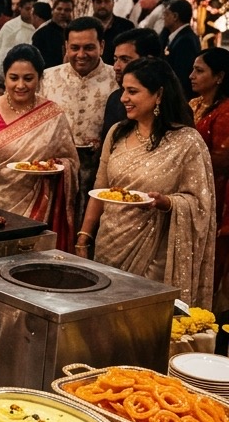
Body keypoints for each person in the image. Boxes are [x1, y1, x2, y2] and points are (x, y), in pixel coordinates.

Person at [75, 58, 215, 308]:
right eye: (123, 90)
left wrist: (168, 203)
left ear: (159, 94)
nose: (123, 98)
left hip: (155, 252)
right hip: (109, 243)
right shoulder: (117, 133)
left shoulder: (186, 142)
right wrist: (84, 237)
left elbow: (200, 204)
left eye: (132, 91)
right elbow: (101, 188)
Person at [0, 44, 79, 248]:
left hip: (36, 208)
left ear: (40, 79)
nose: (20, 85)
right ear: (5, 77)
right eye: (13, 78)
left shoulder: (52, 114)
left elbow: (70, 161)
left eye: (28, 78)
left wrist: (56, 166)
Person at [40, 16, 118, 224]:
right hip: (55, 171)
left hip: (102, 171)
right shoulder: (47, 78)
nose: (81, 55)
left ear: (101, 46)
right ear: (66, 46)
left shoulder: (117, 79)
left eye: (89, 47)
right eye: (74, 47)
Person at [189, 47, 229, 305]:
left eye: (199, 70)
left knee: (211, 256)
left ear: (220, 77)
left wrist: (186, 161)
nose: (191, 75)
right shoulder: (194, 104)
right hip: (194, 187)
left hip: (216, 192)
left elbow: (223, 160)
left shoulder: (225, 112)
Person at [101, 27, 161, 145]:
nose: (116, 67)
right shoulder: (115, 99)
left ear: (148, 60)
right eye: (115, 59)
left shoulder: (172, 104)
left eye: (125, 59)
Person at [161, 0, 202, 99]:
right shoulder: (179, 36)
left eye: (166, 14)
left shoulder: (185, 41)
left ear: (175, 16)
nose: (163, 17)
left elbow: (181, 76)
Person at [0, 0, 38, 73]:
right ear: (20, 9)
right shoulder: (10, 27)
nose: (31, 12)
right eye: (27, 9)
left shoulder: (40, 26)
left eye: (33, 10)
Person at [90, 0, 134, 65]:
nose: (103, 5)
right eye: (99, 2)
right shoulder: (85, 26)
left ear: (113, 2)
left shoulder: (126, 26)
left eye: (107, 1)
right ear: (92, 3)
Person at [31, 0, 73, 69]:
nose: (62, 12)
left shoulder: (74, 33)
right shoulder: (41, 34)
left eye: (67, 10)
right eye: (59, 9)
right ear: (53, 10)